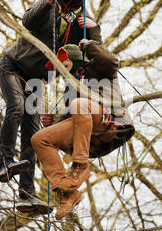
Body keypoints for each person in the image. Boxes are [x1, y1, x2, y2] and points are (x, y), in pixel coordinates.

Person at [0, 0, 102, 214]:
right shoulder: (49, 6)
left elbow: (88, 59)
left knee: (33, 132)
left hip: (36, 79)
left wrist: (92, 29)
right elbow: (28, 20)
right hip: (13, 67)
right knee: (16, 107)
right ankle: (5, 162)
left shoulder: (81, 21)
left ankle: (26, 195)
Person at [31, 39, 135, 220]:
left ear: (74, 60)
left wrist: (88, 45)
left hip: (109, 123)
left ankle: (80, 165)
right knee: (39, 139)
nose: (60, 71)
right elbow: (71, 120)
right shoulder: (69, 91)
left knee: (79, 105)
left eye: (63, 65)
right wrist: (53, 123)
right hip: (88, 134)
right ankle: (66, 194)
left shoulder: (100, 69)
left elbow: (110, 60)